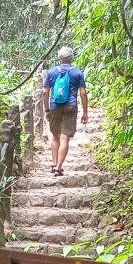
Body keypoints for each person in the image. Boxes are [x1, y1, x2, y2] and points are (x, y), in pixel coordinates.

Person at [42, 46, 88, 176]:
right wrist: (85, 112)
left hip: (54, 107)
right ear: (71, 58)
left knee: (55, 136)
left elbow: (45, 91)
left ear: (59, 58)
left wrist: (47, 109)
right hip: (71, 107)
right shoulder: (77, 72)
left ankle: (55, 164)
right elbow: (83, 93)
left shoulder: (51, 72)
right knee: (65, 137)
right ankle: (59, 167)